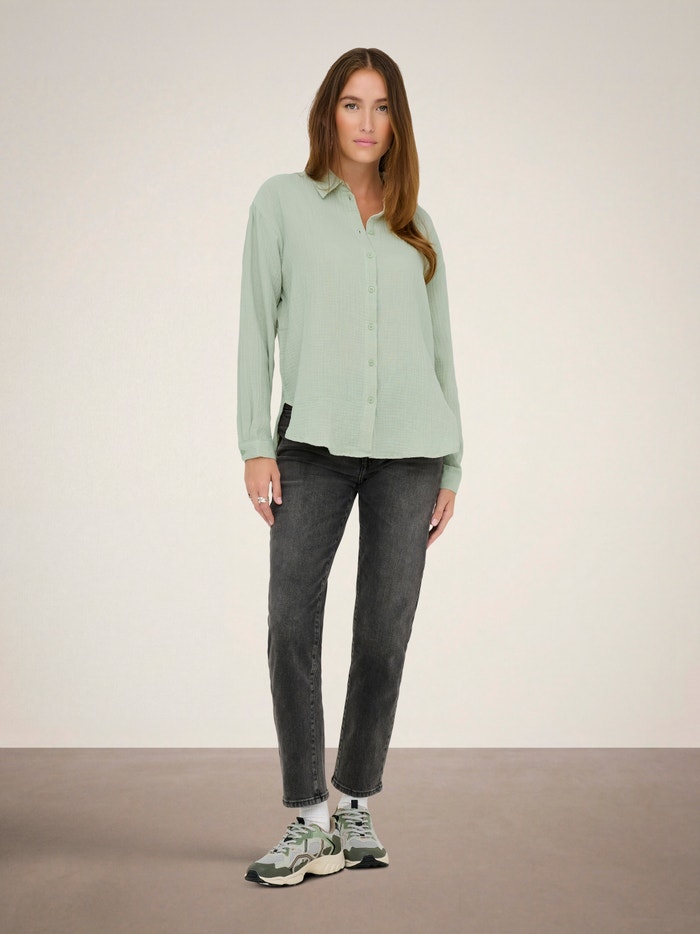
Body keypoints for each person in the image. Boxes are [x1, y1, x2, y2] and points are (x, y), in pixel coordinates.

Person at [237, 47, 462, 887]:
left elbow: (441, 352)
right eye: (352, 104)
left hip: (412, 453)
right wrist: (254, 443)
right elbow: (254, 326)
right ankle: (308, 821)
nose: (367, 122)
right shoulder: (282, 203)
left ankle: (356, 804)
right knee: (291, 624)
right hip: (312, 448)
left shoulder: (416, 224)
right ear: (328, 113)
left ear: (397, 122)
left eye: (382, 106)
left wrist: (453, 464)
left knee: (383, 635)